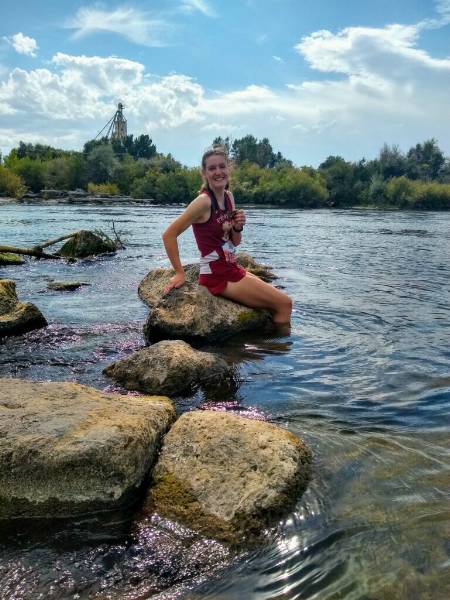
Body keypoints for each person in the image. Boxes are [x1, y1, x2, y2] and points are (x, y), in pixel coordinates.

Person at [162, 146, 292, 326]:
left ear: (229, 169)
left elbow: (234, 243)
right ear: (204, 173)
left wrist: (237, 228)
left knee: (275, 300)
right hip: (216, 275)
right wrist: (179, 273)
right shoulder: (203, 202)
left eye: (222, 166)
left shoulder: (228, 197)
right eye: (212, 168)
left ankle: (265, 341)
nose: (218, 172)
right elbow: (169, 234)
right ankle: (278, 344)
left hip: (231, 267)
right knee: (285, 304)